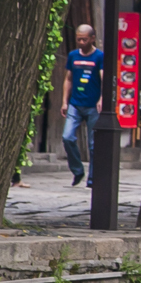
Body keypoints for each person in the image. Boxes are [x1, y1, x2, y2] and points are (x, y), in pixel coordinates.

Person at [61, 24, 104, 187]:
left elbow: (103, 79)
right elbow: (68, 79)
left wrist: (101, 99)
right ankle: (77, 170)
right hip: (75, 104)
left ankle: (92, 178)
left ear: (92, 39)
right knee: (67, 137)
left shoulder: (99, 56)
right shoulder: (73, 55)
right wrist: (65, 101)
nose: (80, 42)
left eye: (84, 39)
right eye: (78, 39)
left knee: (94, 144)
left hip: (93, 106)